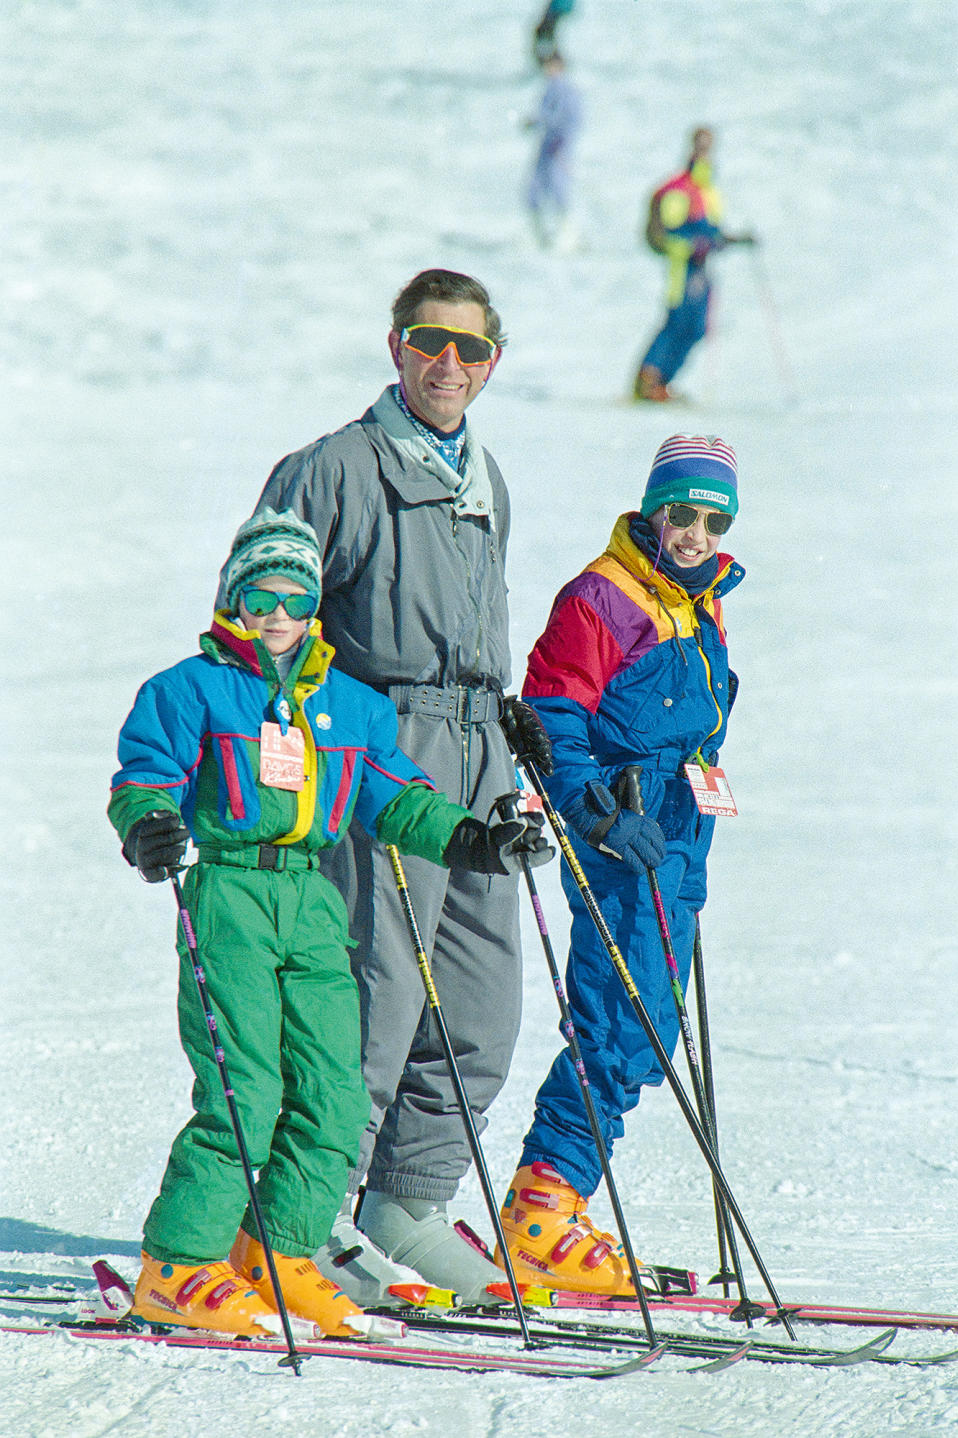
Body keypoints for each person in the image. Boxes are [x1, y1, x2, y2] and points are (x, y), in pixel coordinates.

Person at [109, 508, 551, 1337]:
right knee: (248, 1090)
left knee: (335, 1095)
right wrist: (149, 825)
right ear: (229, 601)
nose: (276, 616)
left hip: (312, 900)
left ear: (317, 607)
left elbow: (396, 799)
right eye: (257, 598)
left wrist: (477, 841)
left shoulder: (350, 707)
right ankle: (177, 1265)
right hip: (231, 894)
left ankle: (278, 1253)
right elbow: (145, 776)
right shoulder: (189, 689)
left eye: (294, 599)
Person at [228, 269, 551, 1306]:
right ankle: (304, 1213)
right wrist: (291, 757)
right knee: (372, 993)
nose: (447, 364)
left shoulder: (484, 474)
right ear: (395, 346)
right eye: (427, 342)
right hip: (378, 748)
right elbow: (257, 624)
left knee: (480, 1001)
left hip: (476, 754)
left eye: (469, 349)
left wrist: (509, 723)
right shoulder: (334, 469)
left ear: (493, 361)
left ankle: (404, 1202)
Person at [496, 435, 745, 1294]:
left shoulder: (698, 602)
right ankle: (542, 1206)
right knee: (619, 1018)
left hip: (677, 839)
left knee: (651, 1029)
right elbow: (553, 713)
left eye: (715, 520)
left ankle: (554, 1200)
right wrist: (595, 808)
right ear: (654, 509)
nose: (696, 533)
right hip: (619, 835)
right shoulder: (602, 597)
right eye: (682, 513)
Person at [633, 128, 756, 402]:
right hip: (682, 268)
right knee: (677, 322)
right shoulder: (680, 189)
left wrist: (729, 241)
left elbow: (712, 230)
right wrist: (695, 245)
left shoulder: (709, 189)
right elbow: (671, 233)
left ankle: (662, 381)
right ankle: (648, 380)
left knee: (697, 327)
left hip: (701, 269)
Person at [524, 51, 583, 250]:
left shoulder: (566, 90)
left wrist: (561, 142)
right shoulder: (550, 88)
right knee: (535, 190)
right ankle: (540, 235)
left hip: (559, 149)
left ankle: (566, 236)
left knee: (559, 191)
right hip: (547, 148)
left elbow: (568, 120)